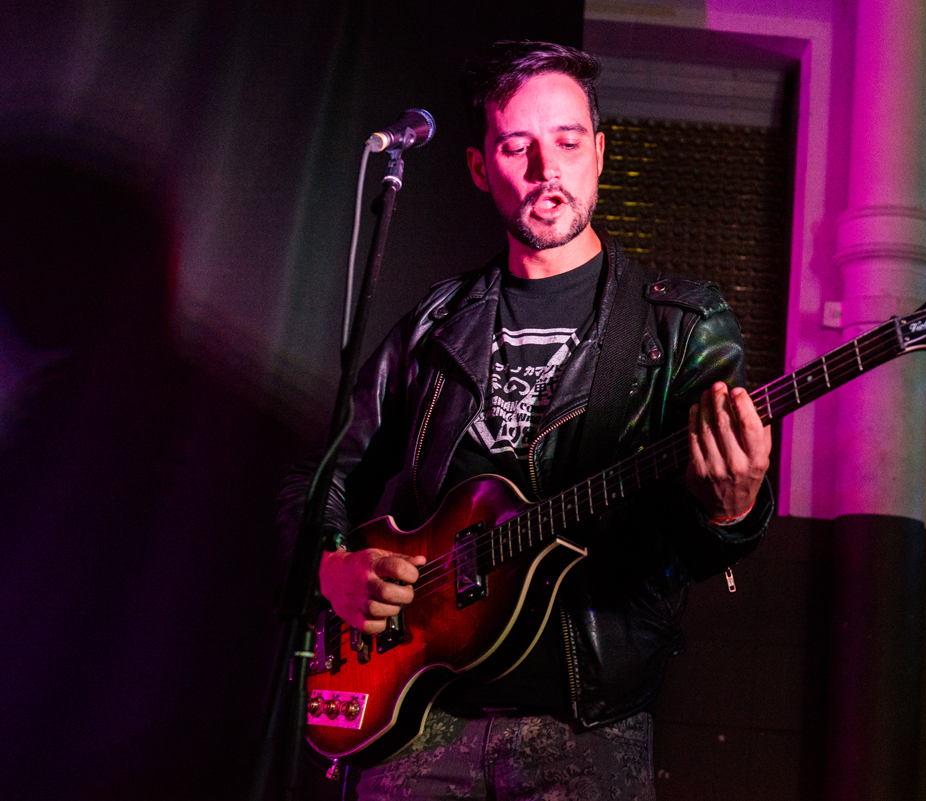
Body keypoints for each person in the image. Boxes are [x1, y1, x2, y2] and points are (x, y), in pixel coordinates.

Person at [276, 40, 774, 801]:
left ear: (601, 153)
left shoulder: (679, 323)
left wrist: (734, 506)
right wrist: (332, 566)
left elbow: (699, 538)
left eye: (569, 142)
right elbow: (323, 479)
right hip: (419, 715)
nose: (548, 170)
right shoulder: (434, 326)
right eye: (519, 146)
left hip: (584, 731)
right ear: (481, 167)